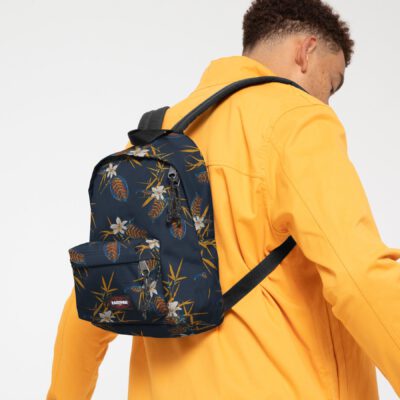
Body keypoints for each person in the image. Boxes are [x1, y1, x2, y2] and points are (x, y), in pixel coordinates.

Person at [47, 0, 400, 398]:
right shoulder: (297, 120)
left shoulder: (151, 143)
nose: (326, 102)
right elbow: (360, 276)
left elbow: (98, 293)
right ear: (306, 51)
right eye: (330, 84)